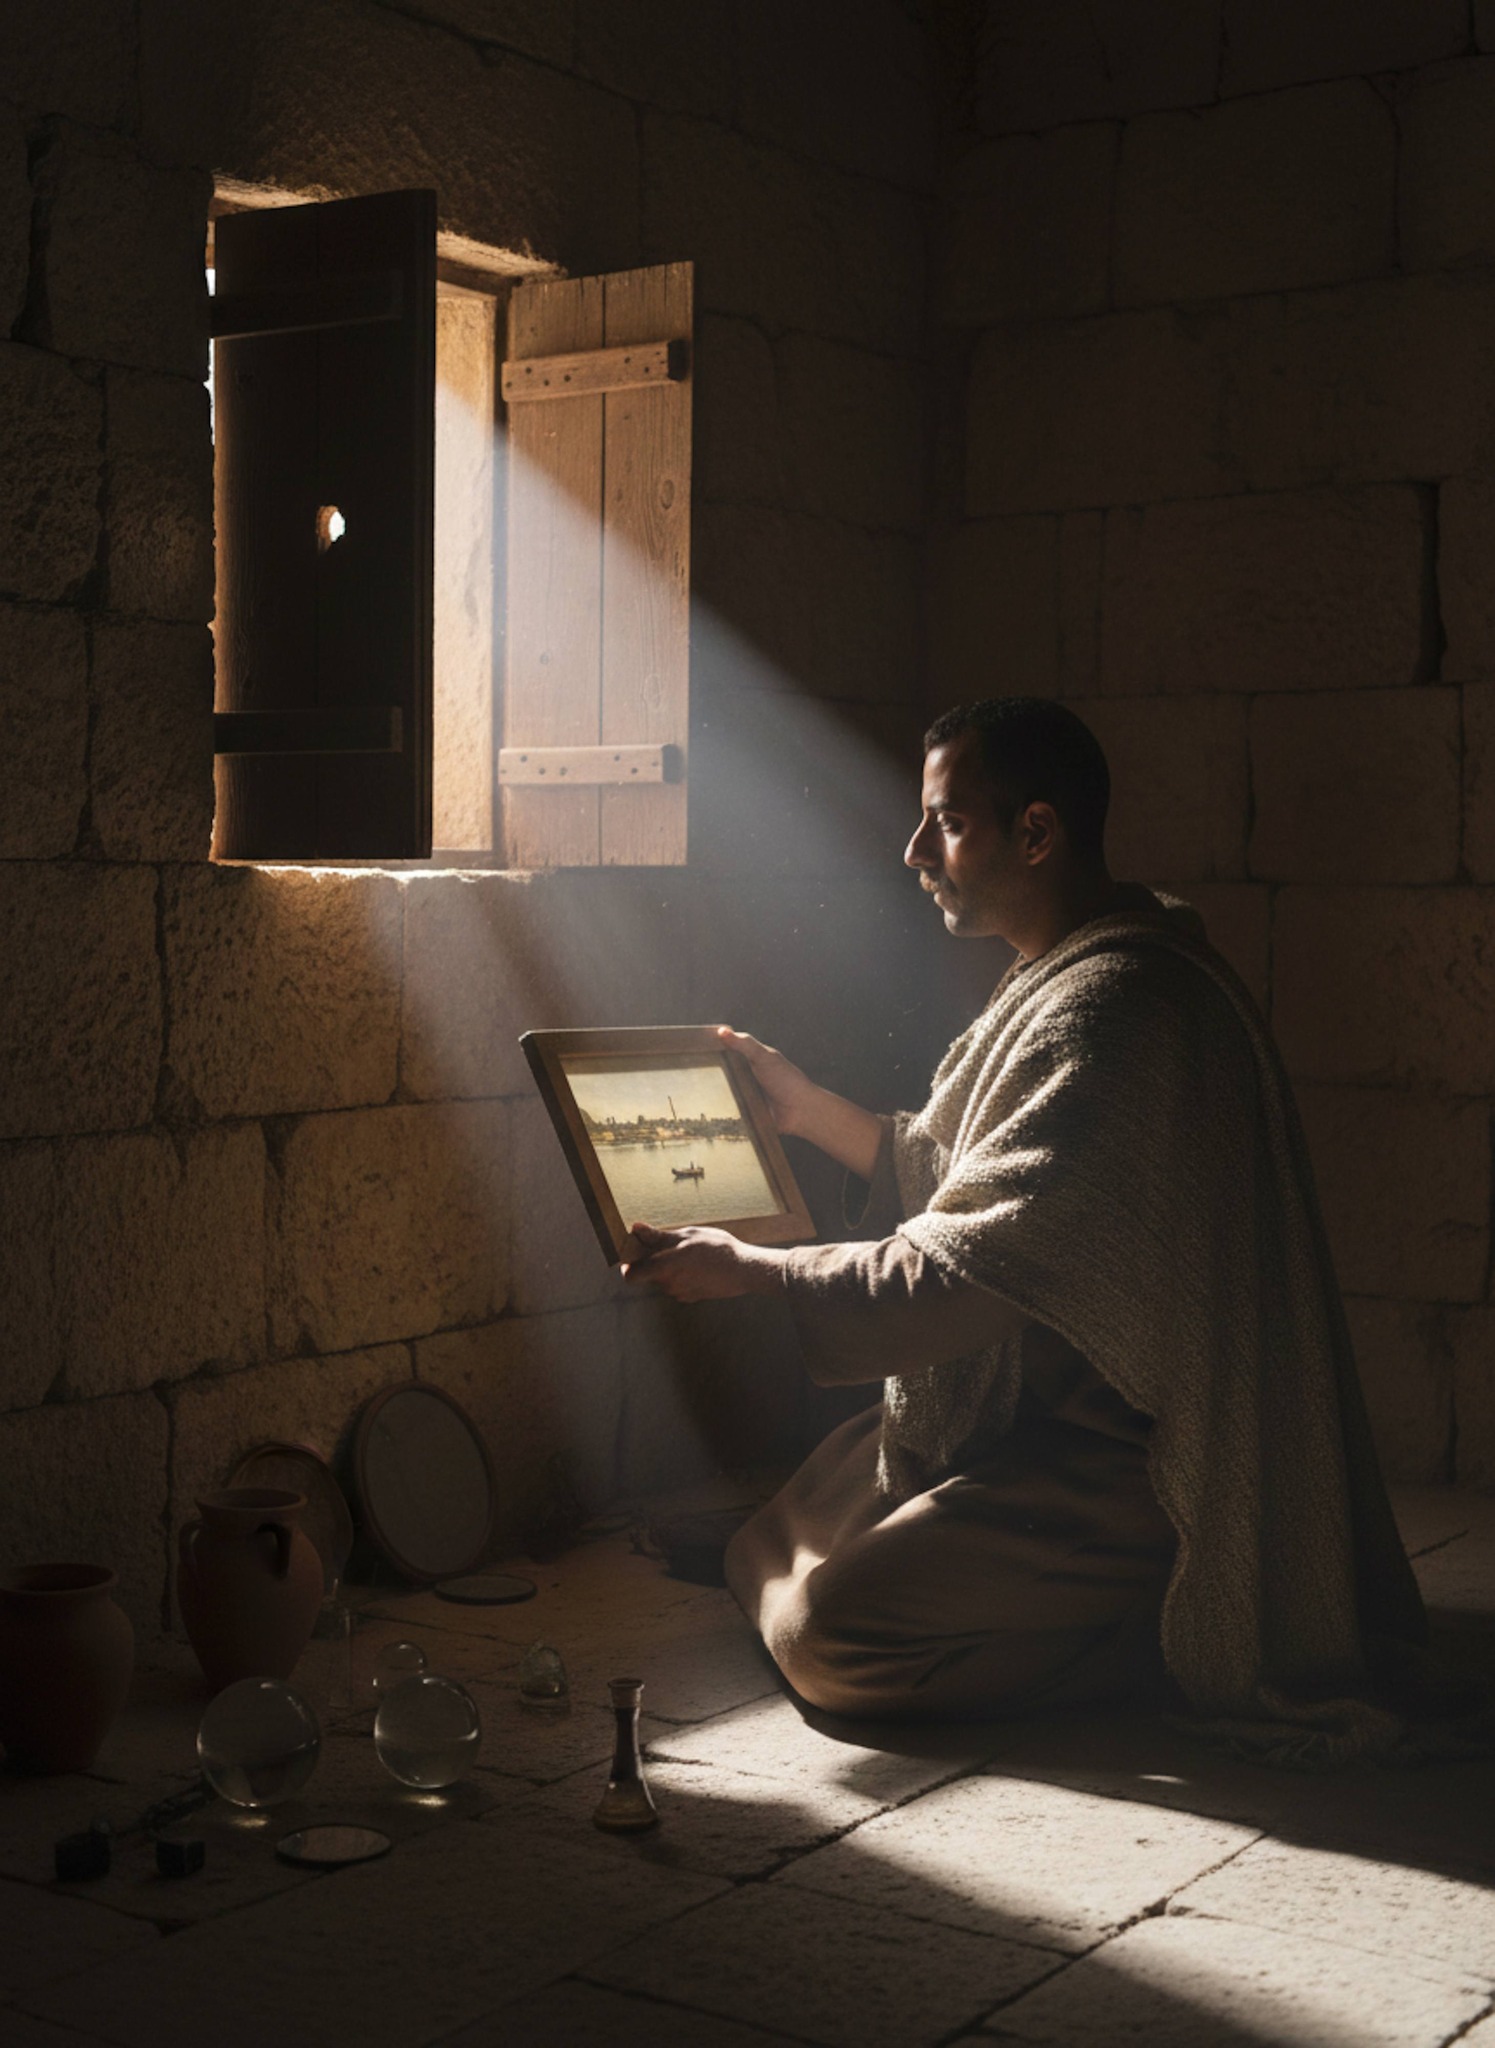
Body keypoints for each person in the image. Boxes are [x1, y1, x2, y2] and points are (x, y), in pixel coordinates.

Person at [624, 698, 1428, 1763]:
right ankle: (833, 1564)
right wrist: (806, 1106)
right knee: (799, 1497)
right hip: (1034, 1418)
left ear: (1037, 832)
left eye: (946, 822)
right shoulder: (1075, 970)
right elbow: (959, 1173)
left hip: (1135, 1457)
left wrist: (757, 1269)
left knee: (830, 1635)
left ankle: (1163, 1632)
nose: (914, 852)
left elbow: (959, 1268)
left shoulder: (1124, 1011)